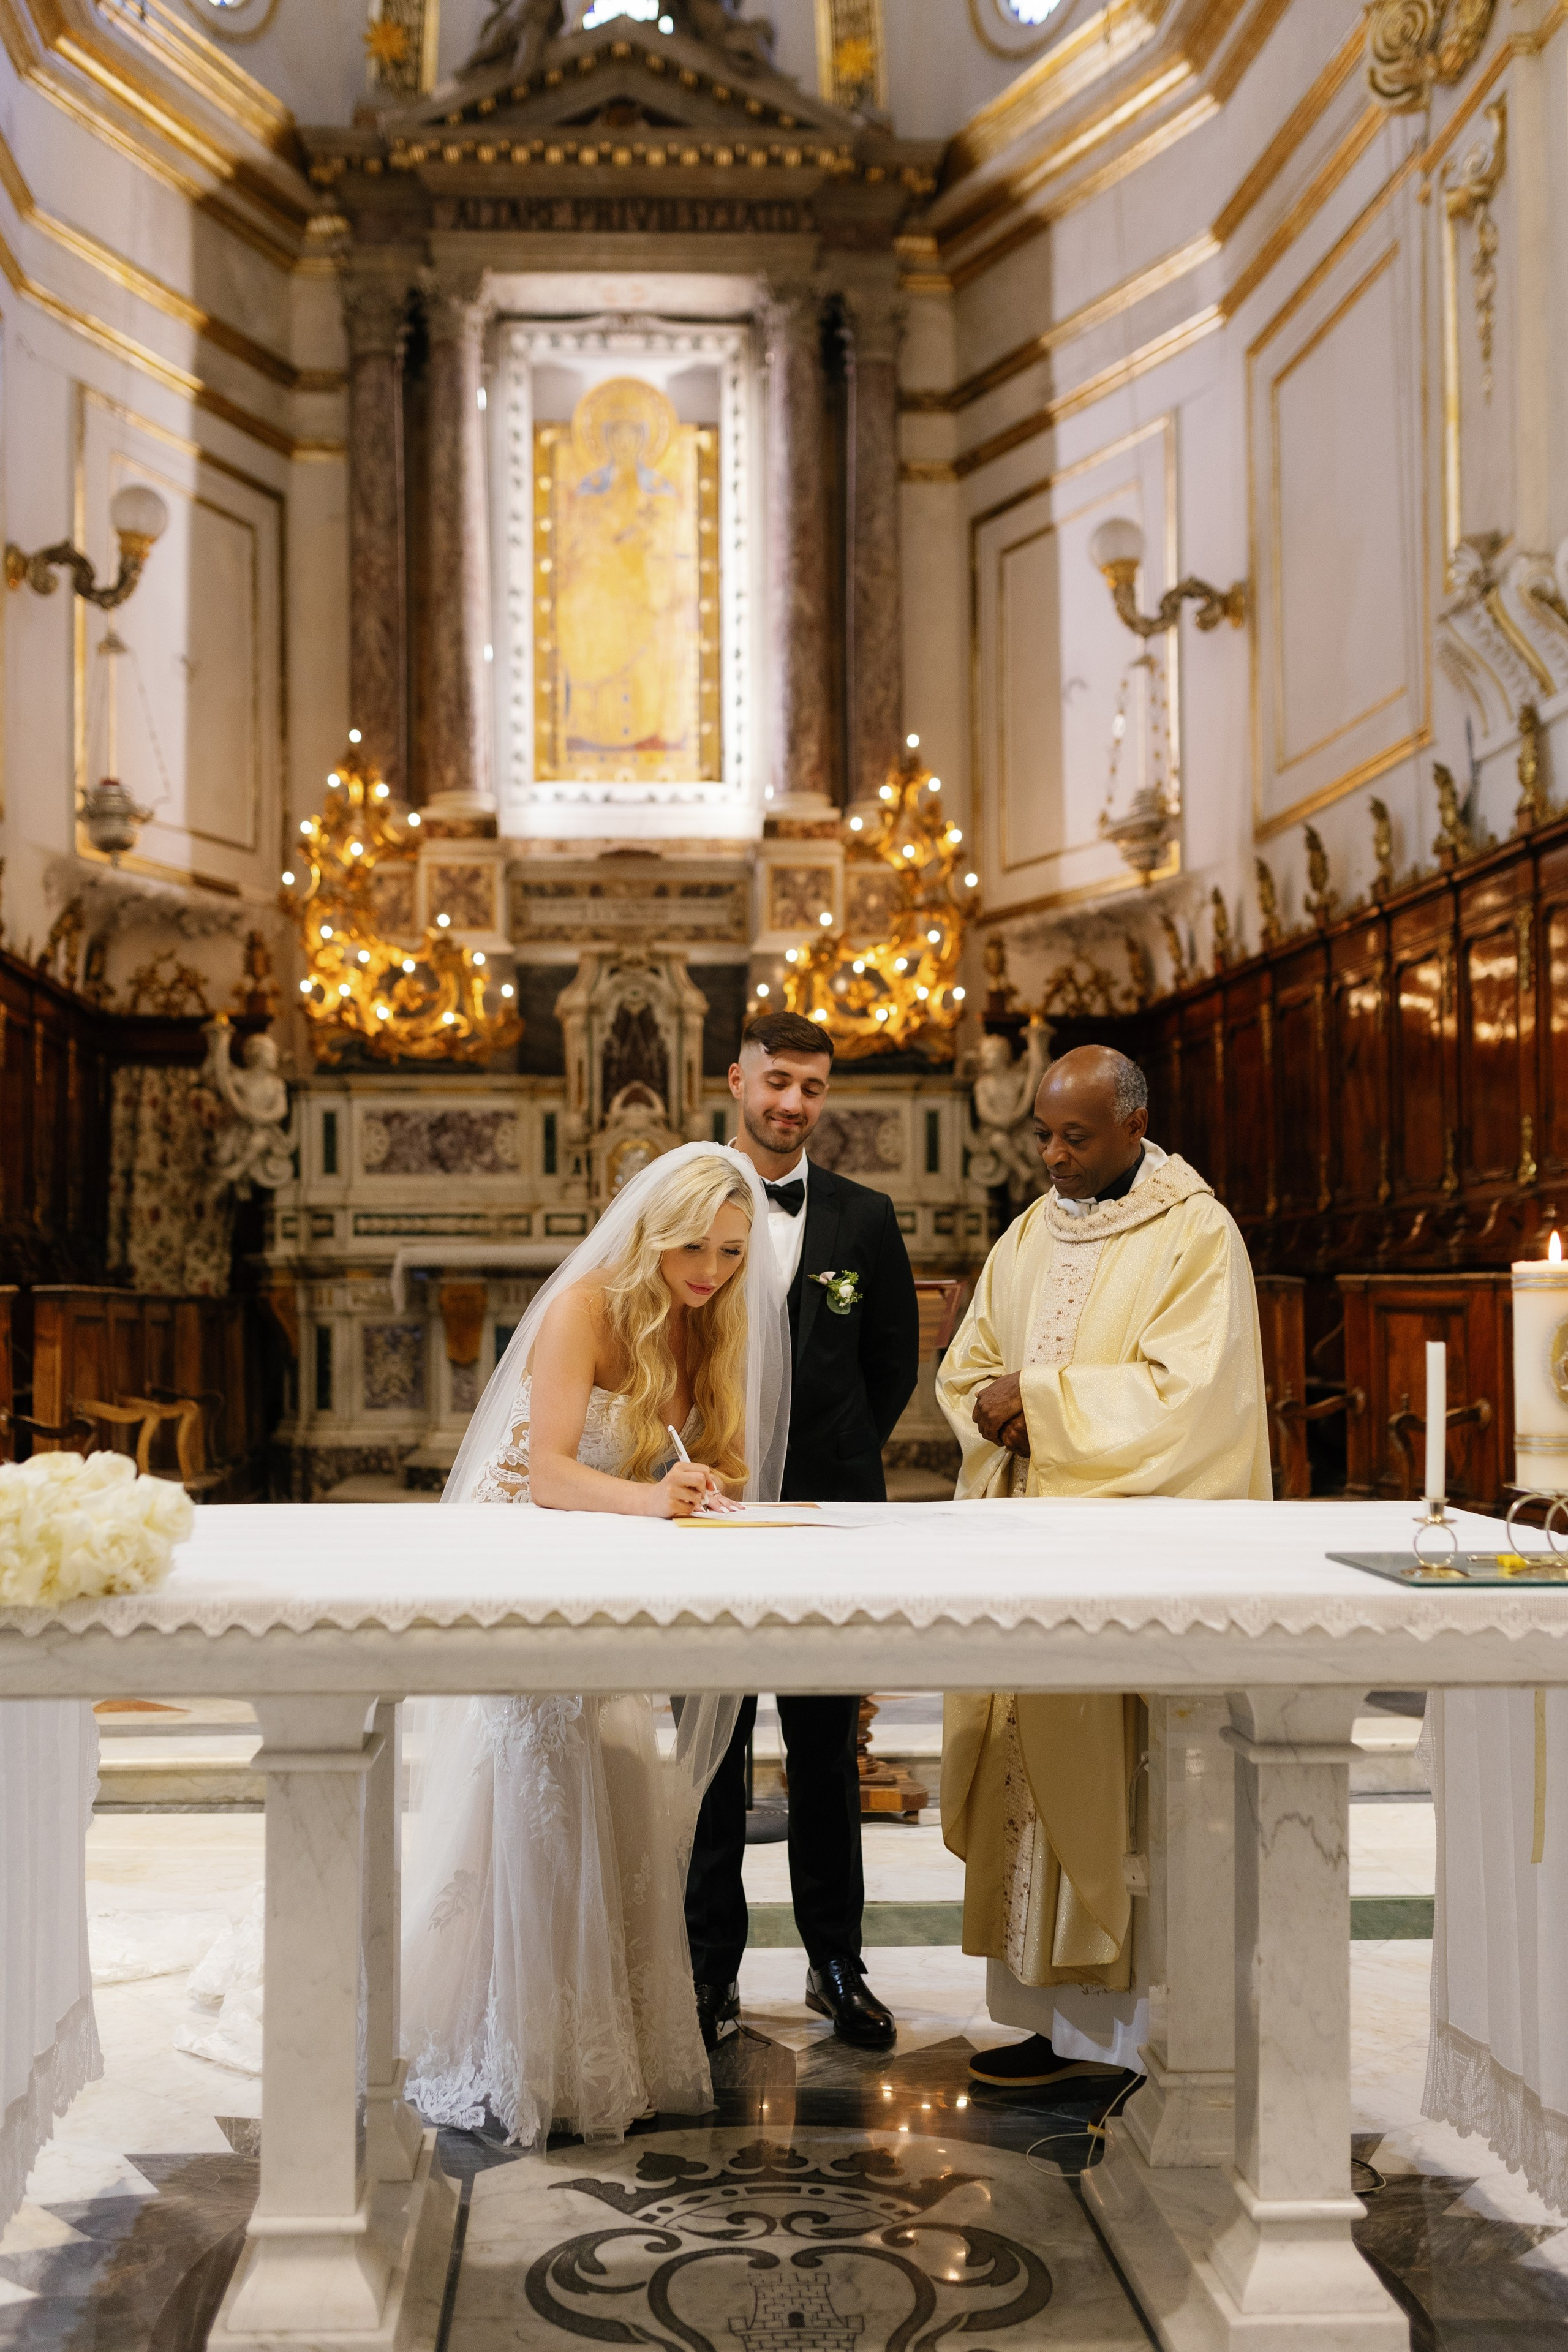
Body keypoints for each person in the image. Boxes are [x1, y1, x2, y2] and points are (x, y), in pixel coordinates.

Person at [399, 1144, 789, 2149]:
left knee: (608, 1768)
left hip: (604, 1556)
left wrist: (707, 1486)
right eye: (694, 1248)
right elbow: (549, 1477)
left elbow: (723, 1459)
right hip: (524, 1556)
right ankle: (515, 2038)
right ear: (654, 1234)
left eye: (733, 1252)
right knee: (539, 1766)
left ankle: (598, 2031)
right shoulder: (584, 1306)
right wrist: (657, 1499)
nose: (710, 1270)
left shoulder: (714, 1320)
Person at [937, 1044, 1268, 2093]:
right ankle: (1048, 2020)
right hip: (1028, 1540)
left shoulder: (1195, 1232)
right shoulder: (1036, 1227)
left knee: (1107, 1782)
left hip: (1122, 1554)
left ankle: (1123, 2035)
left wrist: (1041, 1407)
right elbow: (969, 1366)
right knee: (1022, 1772)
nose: (1051, 1155)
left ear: (1133, 1125)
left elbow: (1191, 1395)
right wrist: (997, 1404)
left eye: (1074, 1137)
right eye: (1042, 1133)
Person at [683, 1010, 921, 2052]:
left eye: (813, 1088)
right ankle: (704, 1977)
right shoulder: (682, 1202)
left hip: (829, 1515)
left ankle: (837, 1964)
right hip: (709, 1515)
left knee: (827, 1750)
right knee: (711, 1757)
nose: (792, 1104)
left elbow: (892, 1365)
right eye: (777, 1081)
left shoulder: (865, 1220)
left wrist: (830, 1464)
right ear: (737, 1079)